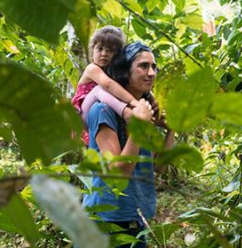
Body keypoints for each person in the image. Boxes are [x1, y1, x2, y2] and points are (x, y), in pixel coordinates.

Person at [82, 42, 174, 248]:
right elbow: (118, 176)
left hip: (136, 219)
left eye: (154, 67)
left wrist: (171, 129)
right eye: (143, 66)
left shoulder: (145, 111)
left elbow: (160, 167)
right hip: (105, 222)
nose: (151, 73)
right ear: (125, 71)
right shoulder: (102, 110)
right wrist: (140, 128)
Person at [71, 26, 138, 145]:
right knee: (99, 89)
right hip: (84, 117)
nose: (104, 54)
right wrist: (133, 102)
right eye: (100, 48)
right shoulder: (92, 69)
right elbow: (108, 85)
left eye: (110, 50)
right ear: (92, 51)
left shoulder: (112, 72)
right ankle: (126, 113)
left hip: (101, 118)